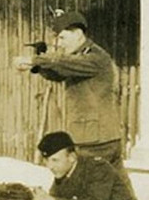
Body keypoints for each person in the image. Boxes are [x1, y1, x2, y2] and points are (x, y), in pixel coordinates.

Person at [17, 10, 126, 170]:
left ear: (78, 34)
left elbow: (63, 62)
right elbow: (59, 74)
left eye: (62, 37)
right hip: (101, 138)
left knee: (87, 188)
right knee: (119, 192)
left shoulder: (95, 57)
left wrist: (33, 60)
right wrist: (36, 67)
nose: (59, 43)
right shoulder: (80, 57)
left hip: (95, 141)